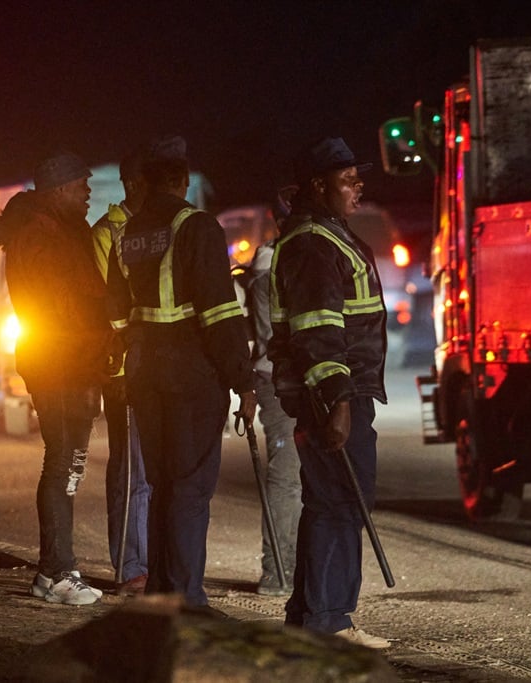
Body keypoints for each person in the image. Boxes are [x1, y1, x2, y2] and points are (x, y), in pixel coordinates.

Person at [105, 135, 256, 606]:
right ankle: (187, 598)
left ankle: (162, 590)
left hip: (145, 375)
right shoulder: (198, 227)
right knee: (190, 489)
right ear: (182, 180)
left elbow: (113, 315)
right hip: (191, 377)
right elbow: (220, 314)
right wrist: (243, 381)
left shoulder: (127, 235)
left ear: (146, 182)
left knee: (162, 485)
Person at [268, 137, 390, 649]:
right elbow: (319, 330)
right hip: (333, 396)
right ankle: (330, 621)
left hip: (338, 393)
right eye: (347, 179)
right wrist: (337, 401)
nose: (358, 186)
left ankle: (311, 616)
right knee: (339, 504)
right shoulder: (314, 242)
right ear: (319, 185)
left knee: (330, 503)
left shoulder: (324, 235)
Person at [0, 151, 112, 606]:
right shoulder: (41, 234)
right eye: (82, 185)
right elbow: (65, 305)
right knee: (63, 461)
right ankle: (54, 573)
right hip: (59, 363)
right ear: (59, 189)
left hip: (71, 361)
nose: (88, 193)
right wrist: (98, 340)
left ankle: (61, 567)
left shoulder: (56, 227)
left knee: (69, 462)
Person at [91, 148, 151, 596]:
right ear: (134, 185)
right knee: (132, 472)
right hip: (126, 369)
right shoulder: (107, 233)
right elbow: (107, 304)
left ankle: (151, 561)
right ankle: (130, 566)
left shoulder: (159, 230)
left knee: (157, 472)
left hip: (160, 366)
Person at [240, 187, 301, 597]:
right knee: (287, 477)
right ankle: (277, 572)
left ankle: (287, 570)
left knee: (292, 477)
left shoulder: (277, 257)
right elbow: (271, 335)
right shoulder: (275, 260)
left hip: (286, 379)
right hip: (281, 382)